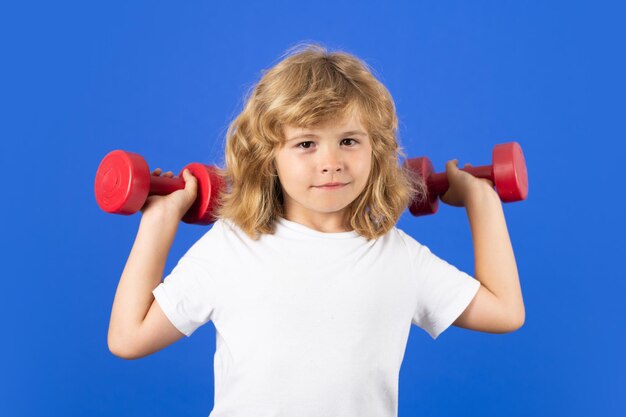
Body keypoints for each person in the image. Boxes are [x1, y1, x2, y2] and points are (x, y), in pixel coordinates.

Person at [107, 42, 525, 417]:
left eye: (348, 141)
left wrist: (481, 201)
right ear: (268, 157)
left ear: (376, 153)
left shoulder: (396, 255)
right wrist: (158, 220)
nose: (331, 161)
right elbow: (129, 338)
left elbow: (505, 311)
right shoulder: (230, 247)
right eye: (306, 143)